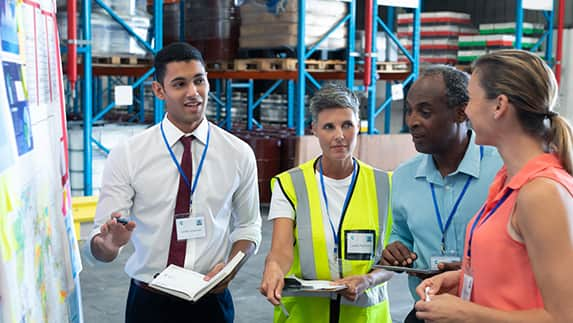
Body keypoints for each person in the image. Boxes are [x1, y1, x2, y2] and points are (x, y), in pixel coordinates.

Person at [85, 42, 262, 323]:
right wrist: (108, 243)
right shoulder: (129, 154)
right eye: (180, 84)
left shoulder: (238, 153)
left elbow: (249, 225)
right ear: (159, 90)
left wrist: (231, 266)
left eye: (199, 81)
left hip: (211, 301)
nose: (193, 93)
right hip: (150, 302)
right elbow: (100, 250)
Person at [414, 50, 573, 322]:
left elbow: (563, 317)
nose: (465, 111)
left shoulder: (541, 193)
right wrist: (465, 279)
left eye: (470, 100)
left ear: (499, 106)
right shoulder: (507, 182)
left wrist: (467, 313)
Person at [259, 83, 394, 323]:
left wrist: (368, 280)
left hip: (364, 317)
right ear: (314, 130)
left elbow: (392, 259)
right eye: (329, 127)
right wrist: (273, 268)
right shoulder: (290, 184)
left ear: (358, 126)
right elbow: (280, 251)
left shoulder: (385, 185)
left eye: (347, 125)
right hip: (307, 315)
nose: (339, 135)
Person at [380, 65, 502, 322]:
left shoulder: (501, 170)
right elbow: (400, 233)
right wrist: (396, 249)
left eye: (425, 112)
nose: (412, 121)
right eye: (409, 111)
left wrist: (472, 273)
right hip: (427, 312)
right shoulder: (404, 176)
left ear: (460, 113)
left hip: (488, 313)